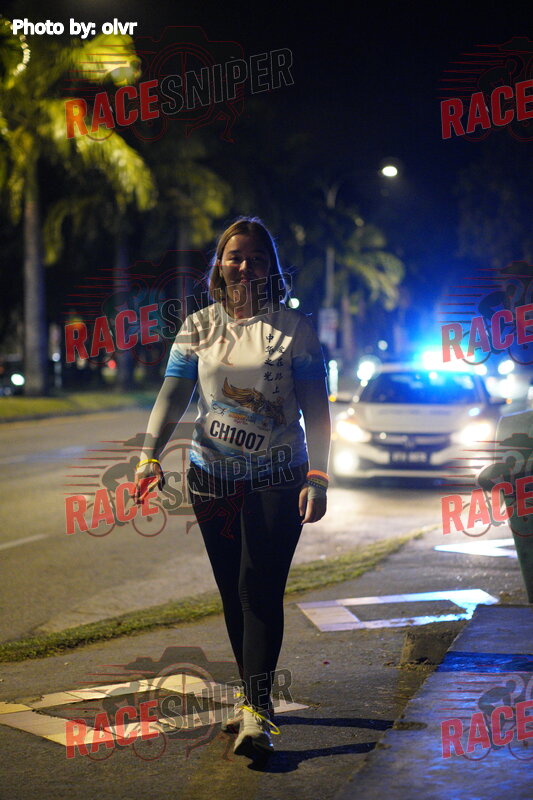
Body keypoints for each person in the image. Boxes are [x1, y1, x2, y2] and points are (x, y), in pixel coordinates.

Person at [133, 216, 331, 759]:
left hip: (280, 475)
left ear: (270, 269)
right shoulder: (198, 327)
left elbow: (316, 409)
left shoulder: (295, 329)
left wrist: (318, 475)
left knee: (257, 588)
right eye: (234, 256)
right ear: (219, 265)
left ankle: (257, 714)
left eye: (256, 258)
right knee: (232, 592)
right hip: (211, 475)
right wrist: (149, 457)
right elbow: (172, 396)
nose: (244, 266)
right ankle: (252, 701)